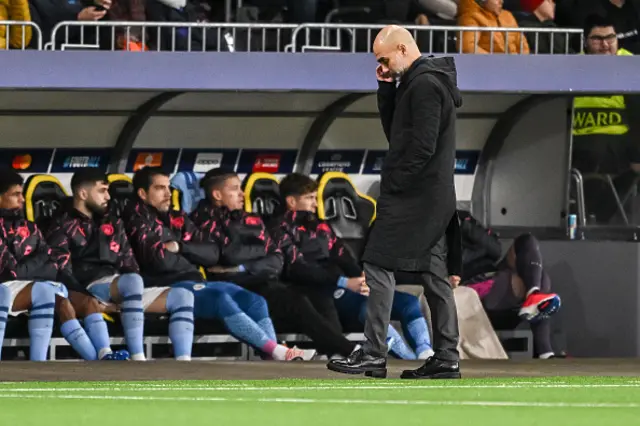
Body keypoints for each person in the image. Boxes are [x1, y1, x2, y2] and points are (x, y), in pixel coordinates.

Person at [328, 25, 463, 380]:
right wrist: (386, 90)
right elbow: (398, 135)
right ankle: (447, 357)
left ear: (403, 48)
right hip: (431, 194)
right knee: (434, 275)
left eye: (384, 59)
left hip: (416, 196)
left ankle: (373, 353)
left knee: (377, 262)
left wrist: (397, 183)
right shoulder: (416, 83)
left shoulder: (426, 85)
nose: (382, 66)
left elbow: (421, 146)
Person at [125, 166, 313, 361]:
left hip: (193, 281)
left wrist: (180, 248)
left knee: (255, 301)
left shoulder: (177, 216)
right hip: (165, 287)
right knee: (219, 298)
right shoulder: (136, 220)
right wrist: (192, 254)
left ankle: (273, 356)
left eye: (168, 187)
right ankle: (278, 352)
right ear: (143, 193)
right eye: (159, 188)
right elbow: (159, 262)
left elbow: (213, 253)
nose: (167, 193)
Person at [190, 168, 357, 360]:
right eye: (235, 189)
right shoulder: (201, 221)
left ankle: (336, 354)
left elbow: (276, 257)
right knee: (294, 300)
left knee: (312, 297)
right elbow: (227, 253)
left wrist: (244, 266)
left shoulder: (250, 218)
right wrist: (254, 257)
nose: (242, 194)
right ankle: (345, 351)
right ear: (217, 194)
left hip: (262, 280)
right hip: (233, 284)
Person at [271, 173, 435, 360]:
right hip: (322, 290)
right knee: (369, 309)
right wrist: (343, 282)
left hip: (346, 284)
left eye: (315, 198)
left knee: (408, 302)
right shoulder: (279, 228)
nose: (316, 204)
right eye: (310, 198)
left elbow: (342, 254)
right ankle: (408, 359)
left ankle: (425, 352)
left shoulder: (320, 226)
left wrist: (361, 278)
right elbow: (297, 267)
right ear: (291, 201)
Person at [46, 169, 195, 361]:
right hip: (90, 289)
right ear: (83, 194)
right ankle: (137, 357)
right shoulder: (62, 224)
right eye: (102, 191)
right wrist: (87, 298)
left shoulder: (113, 222)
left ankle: (183, 363)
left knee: (183, 296)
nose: (108, 196)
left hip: (123, 290)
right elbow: (61, 271)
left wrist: (126, 294)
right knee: (132, 281)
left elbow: (129, 262)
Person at [0, 169, 122, 361]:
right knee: (46, 293)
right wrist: (39, 264)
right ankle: (96, 360)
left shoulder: (30, 226)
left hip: (35, 284)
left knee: (74, 298)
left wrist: (32, 266)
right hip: (8, 287)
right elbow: (9, 270)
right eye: (15, 195)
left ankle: (102, 356)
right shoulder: (61, 223)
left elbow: (52, 263)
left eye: (22, 194)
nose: (22, 200)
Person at [456, 210, 563, 358]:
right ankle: (544, 351)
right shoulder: (433, 230)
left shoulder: (462, 217)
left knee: (526, 241)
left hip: (490, 272)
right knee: (536, 278)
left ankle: (533, 294)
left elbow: (495, 249)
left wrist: (464, 226)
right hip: (469, 285)